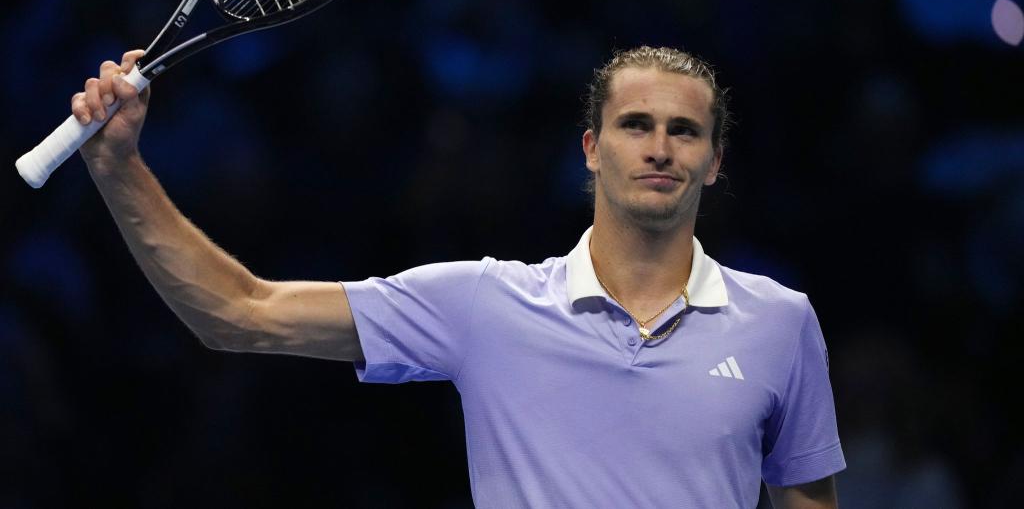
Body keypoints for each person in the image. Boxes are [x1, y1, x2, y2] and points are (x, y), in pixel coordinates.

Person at [74, 45, 845, 508]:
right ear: (591, 148)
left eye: (685, 132)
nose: (659, 148)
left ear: (714, 162)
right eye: (635, 125)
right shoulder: (484, 304)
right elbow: (240, 311)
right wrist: (118, 169)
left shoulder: (780, 321)